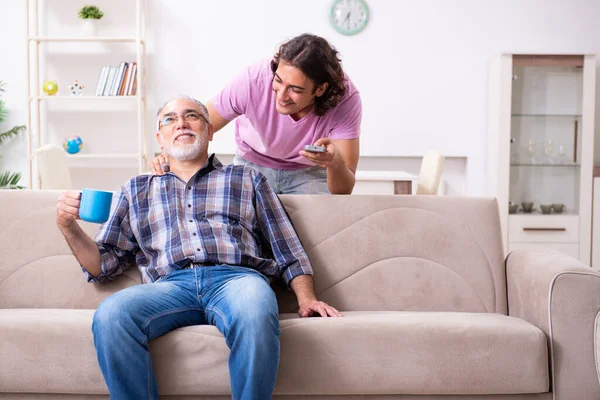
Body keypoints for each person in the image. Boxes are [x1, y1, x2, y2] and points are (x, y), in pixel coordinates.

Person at [56, 95, 342, 400]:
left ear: (209, 131)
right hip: (169, 287)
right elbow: (102, 265)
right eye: (170, 119)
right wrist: (68, 226)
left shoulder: (247, 178)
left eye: (192, 116)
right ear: (160, 138)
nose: (181, 123)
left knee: (255, 307)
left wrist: (306, 297)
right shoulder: (136, 189)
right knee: (111, 315)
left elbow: (287, 246)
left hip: (236, 280)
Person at [150, 33, 362, 195]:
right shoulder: (253, 81)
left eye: (295, 89)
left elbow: (344, 190)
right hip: (252, 162)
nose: (281, 95)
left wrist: (334, 162)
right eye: (278, 81)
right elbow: (202, 124)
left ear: (320, 89)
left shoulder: (345, 99)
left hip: (308, 172)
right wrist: (169, 155)